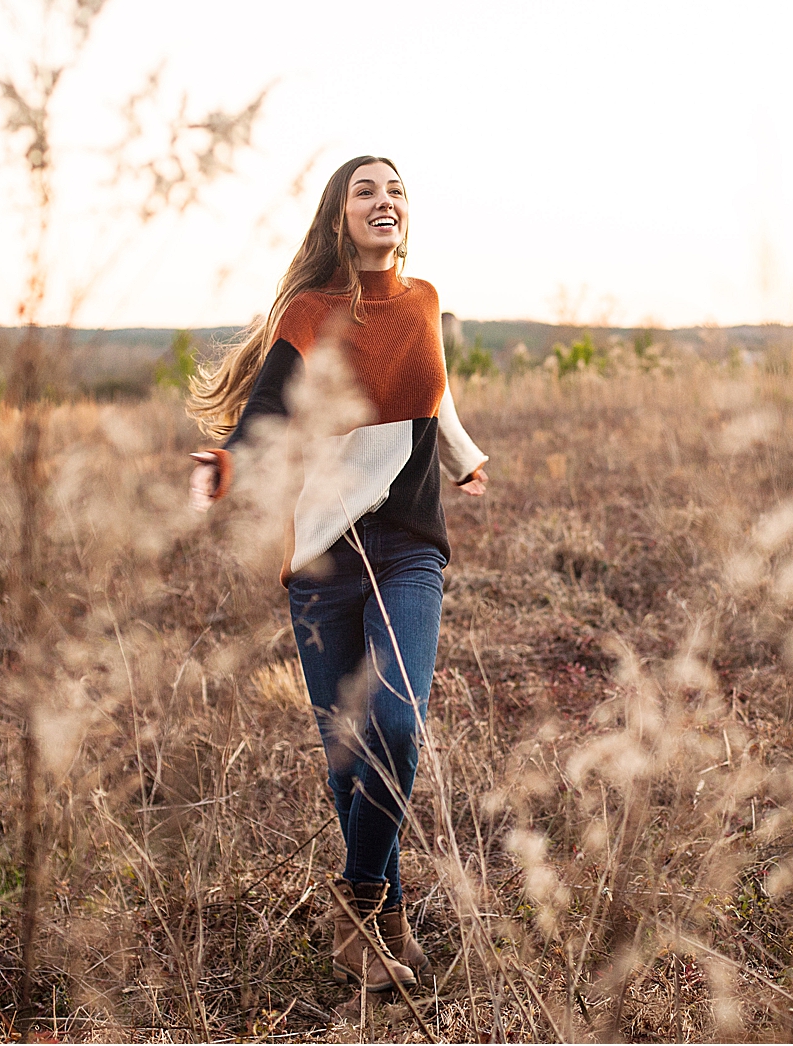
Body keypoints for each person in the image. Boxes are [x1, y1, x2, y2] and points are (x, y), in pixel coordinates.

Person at [185, 155, 488, 992]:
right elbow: (266, 416)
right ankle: (382, 915)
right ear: (337, 219)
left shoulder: (422, 301)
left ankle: (352, 909)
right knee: (348, 760)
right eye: (366, 191)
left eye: (395, 190)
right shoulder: (308, 312)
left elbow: (435, 393)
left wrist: (461, 459)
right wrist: (223, 466)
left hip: (408, 547)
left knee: (394, 724)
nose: (384, 201)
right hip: (323, 556)